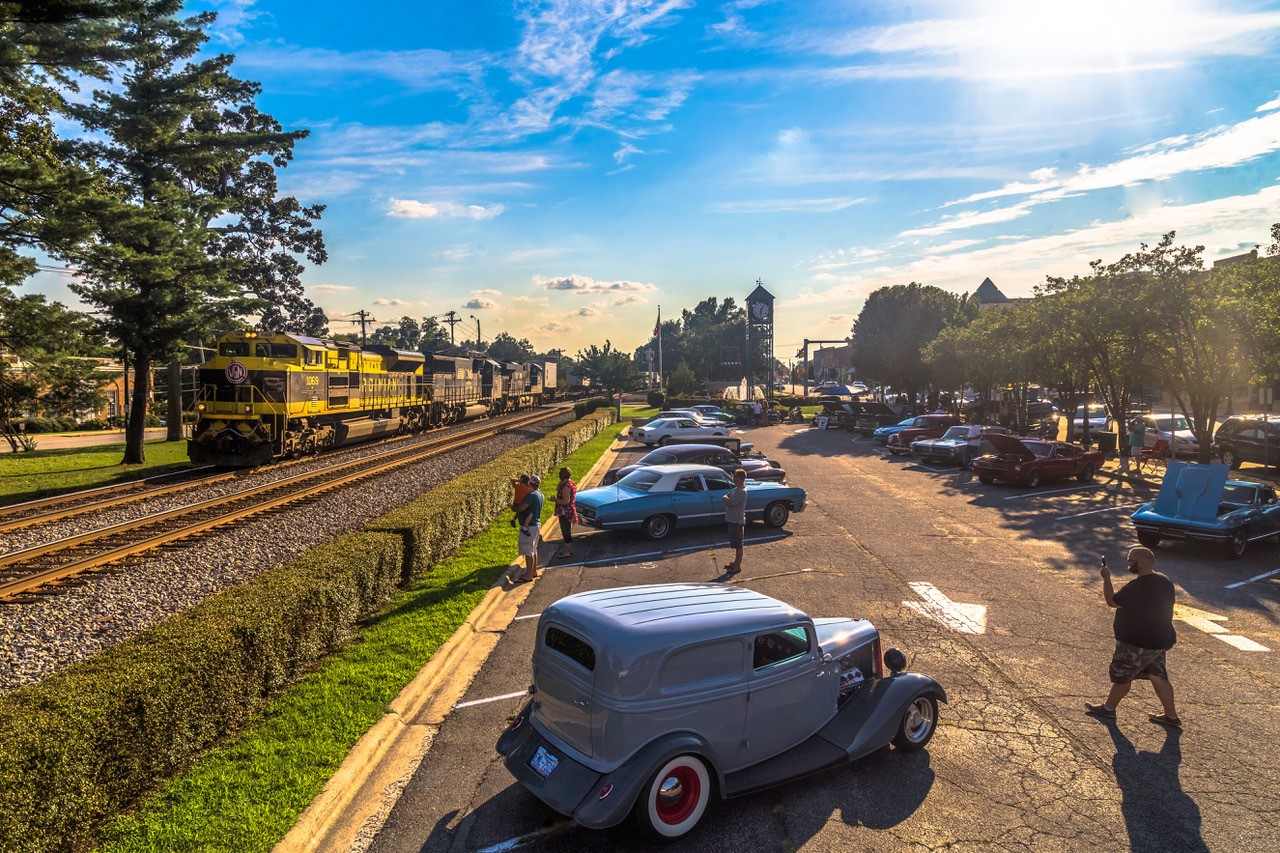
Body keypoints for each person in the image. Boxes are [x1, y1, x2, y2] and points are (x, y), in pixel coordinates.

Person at [1086, 547, 1181, 728]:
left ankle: (1108, 709)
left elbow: (1112, 601)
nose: (1128, 563)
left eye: (1131, 561)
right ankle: (1171, 717)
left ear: (1141, 563)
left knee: (1123, 676)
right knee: (1157, 675)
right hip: (1160, 641)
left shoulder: (1137, 587)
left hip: (1137, 643)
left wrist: (1106, 578)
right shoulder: (1165, 581)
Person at [512, 474, 544, 583]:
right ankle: (533, 571)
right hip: (536, 525)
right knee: (533, 550)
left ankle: (528, 575)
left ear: (531, 483)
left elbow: (521, 508)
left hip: (529, 527)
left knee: (528, 551)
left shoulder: (532, 495)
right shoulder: (540, 494)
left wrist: (513, 507)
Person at [722, 468, 748, 574]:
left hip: (737, 521)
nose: (733, 477)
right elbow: (726, 496)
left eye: (734, 476)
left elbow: (730, 502)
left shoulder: (741, 491)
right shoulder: (736, 489)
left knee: (738, 545)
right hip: (733, 520)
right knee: (735, 543)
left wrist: (725, 498)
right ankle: (735, 563)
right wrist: (726, 498)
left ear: (739, 478)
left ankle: (737, 566)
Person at [554, 467, 578, 559]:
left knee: (566, 531)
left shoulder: (566, 487)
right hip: (568, 510)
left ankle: (568, 551)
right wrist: (561, 483)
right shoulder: (569, 483)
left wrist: (555, 500)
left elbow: (565, 501)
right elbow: (557, 488)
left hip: (565, 512)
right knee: (566, 530)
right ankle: (568, 549)